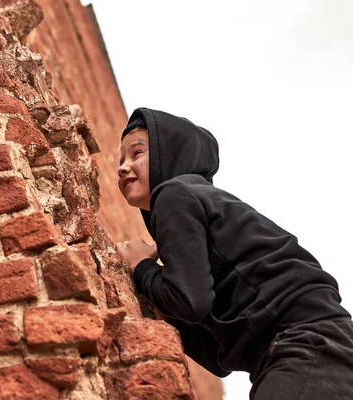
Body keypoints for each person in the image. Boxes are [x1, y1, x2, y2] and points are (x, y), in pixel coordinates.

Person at [115, 108, 353, 399]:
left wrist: (142, 266)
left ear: (170, 153)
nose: (123, 167)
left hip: (307, 346)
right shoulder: (197, 206)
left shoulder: (174, 194)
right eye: (120, 160)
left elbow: (191, 302)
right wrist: (158, 304)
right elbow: (217, 357)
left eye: (136, 153)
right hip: (319, 355)